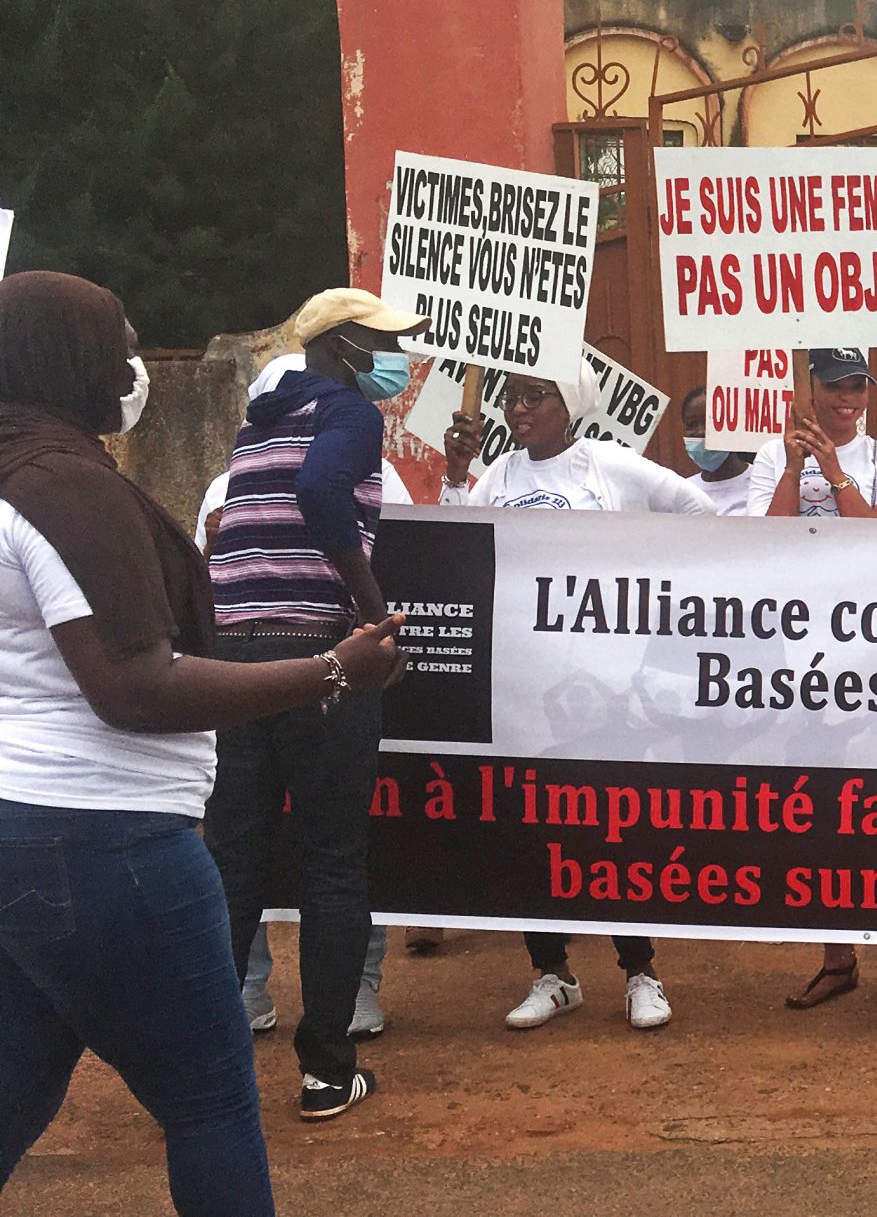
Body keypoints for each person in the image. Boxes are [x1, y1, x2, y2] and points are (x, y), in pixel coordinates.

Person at [0, 272, 404, 1211]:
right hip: (113, 840)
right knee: (211, 1101)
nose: (135, 364)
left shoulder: (19, 471)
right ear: (68, 359)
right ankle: (328, 1062)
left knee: (18, 1084)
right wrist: (334, 669)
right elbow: (134, 687)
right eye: (121, 341)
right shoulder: (66, 487)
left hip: (27, 833)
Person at [201, 288, 422, 1122]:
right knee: (332, 861)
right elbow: (324, 497)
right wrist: (373, 613)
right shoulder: (348, 415)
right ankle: (328, 1069)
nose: (396, 357)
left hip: (236, 664)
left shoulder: (261, 419)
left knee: (235, 861)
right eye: (381, 339)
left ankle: (205, 1067)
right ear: (340, 344)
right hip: (319, 657)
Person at [443, 362, 712, 1031]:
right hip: (522, 685)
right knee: (532, 829)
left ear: (575, 403)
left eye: (535, 395)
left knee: (608, 827)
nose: (518, 408)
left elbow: (698, 512)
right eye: (512, 397)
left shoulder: (610, 467)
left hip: (604, 691)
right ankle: (551, 973)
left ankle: (640, 971)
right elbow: (452, 543)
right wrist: (455, 474)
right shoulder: (500, 475)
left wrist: (644, 589)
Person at [738, 347, 877, 1014]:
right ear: (812, 388)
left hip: (875, 654)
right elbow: (766, 542)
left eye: (858, 387)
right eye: (836, 386)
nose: (848, 399)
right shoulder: (773, 456)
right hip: (800, 652)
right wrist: (797, 467)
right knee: (815, 809)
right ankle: (837, 957)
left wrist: (834, 472)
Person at [678, 386, 754, 516]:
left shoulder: (762, 484)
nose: (701, 432)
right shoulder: (682, 491)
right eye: (691, 424)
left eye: (712, 422)